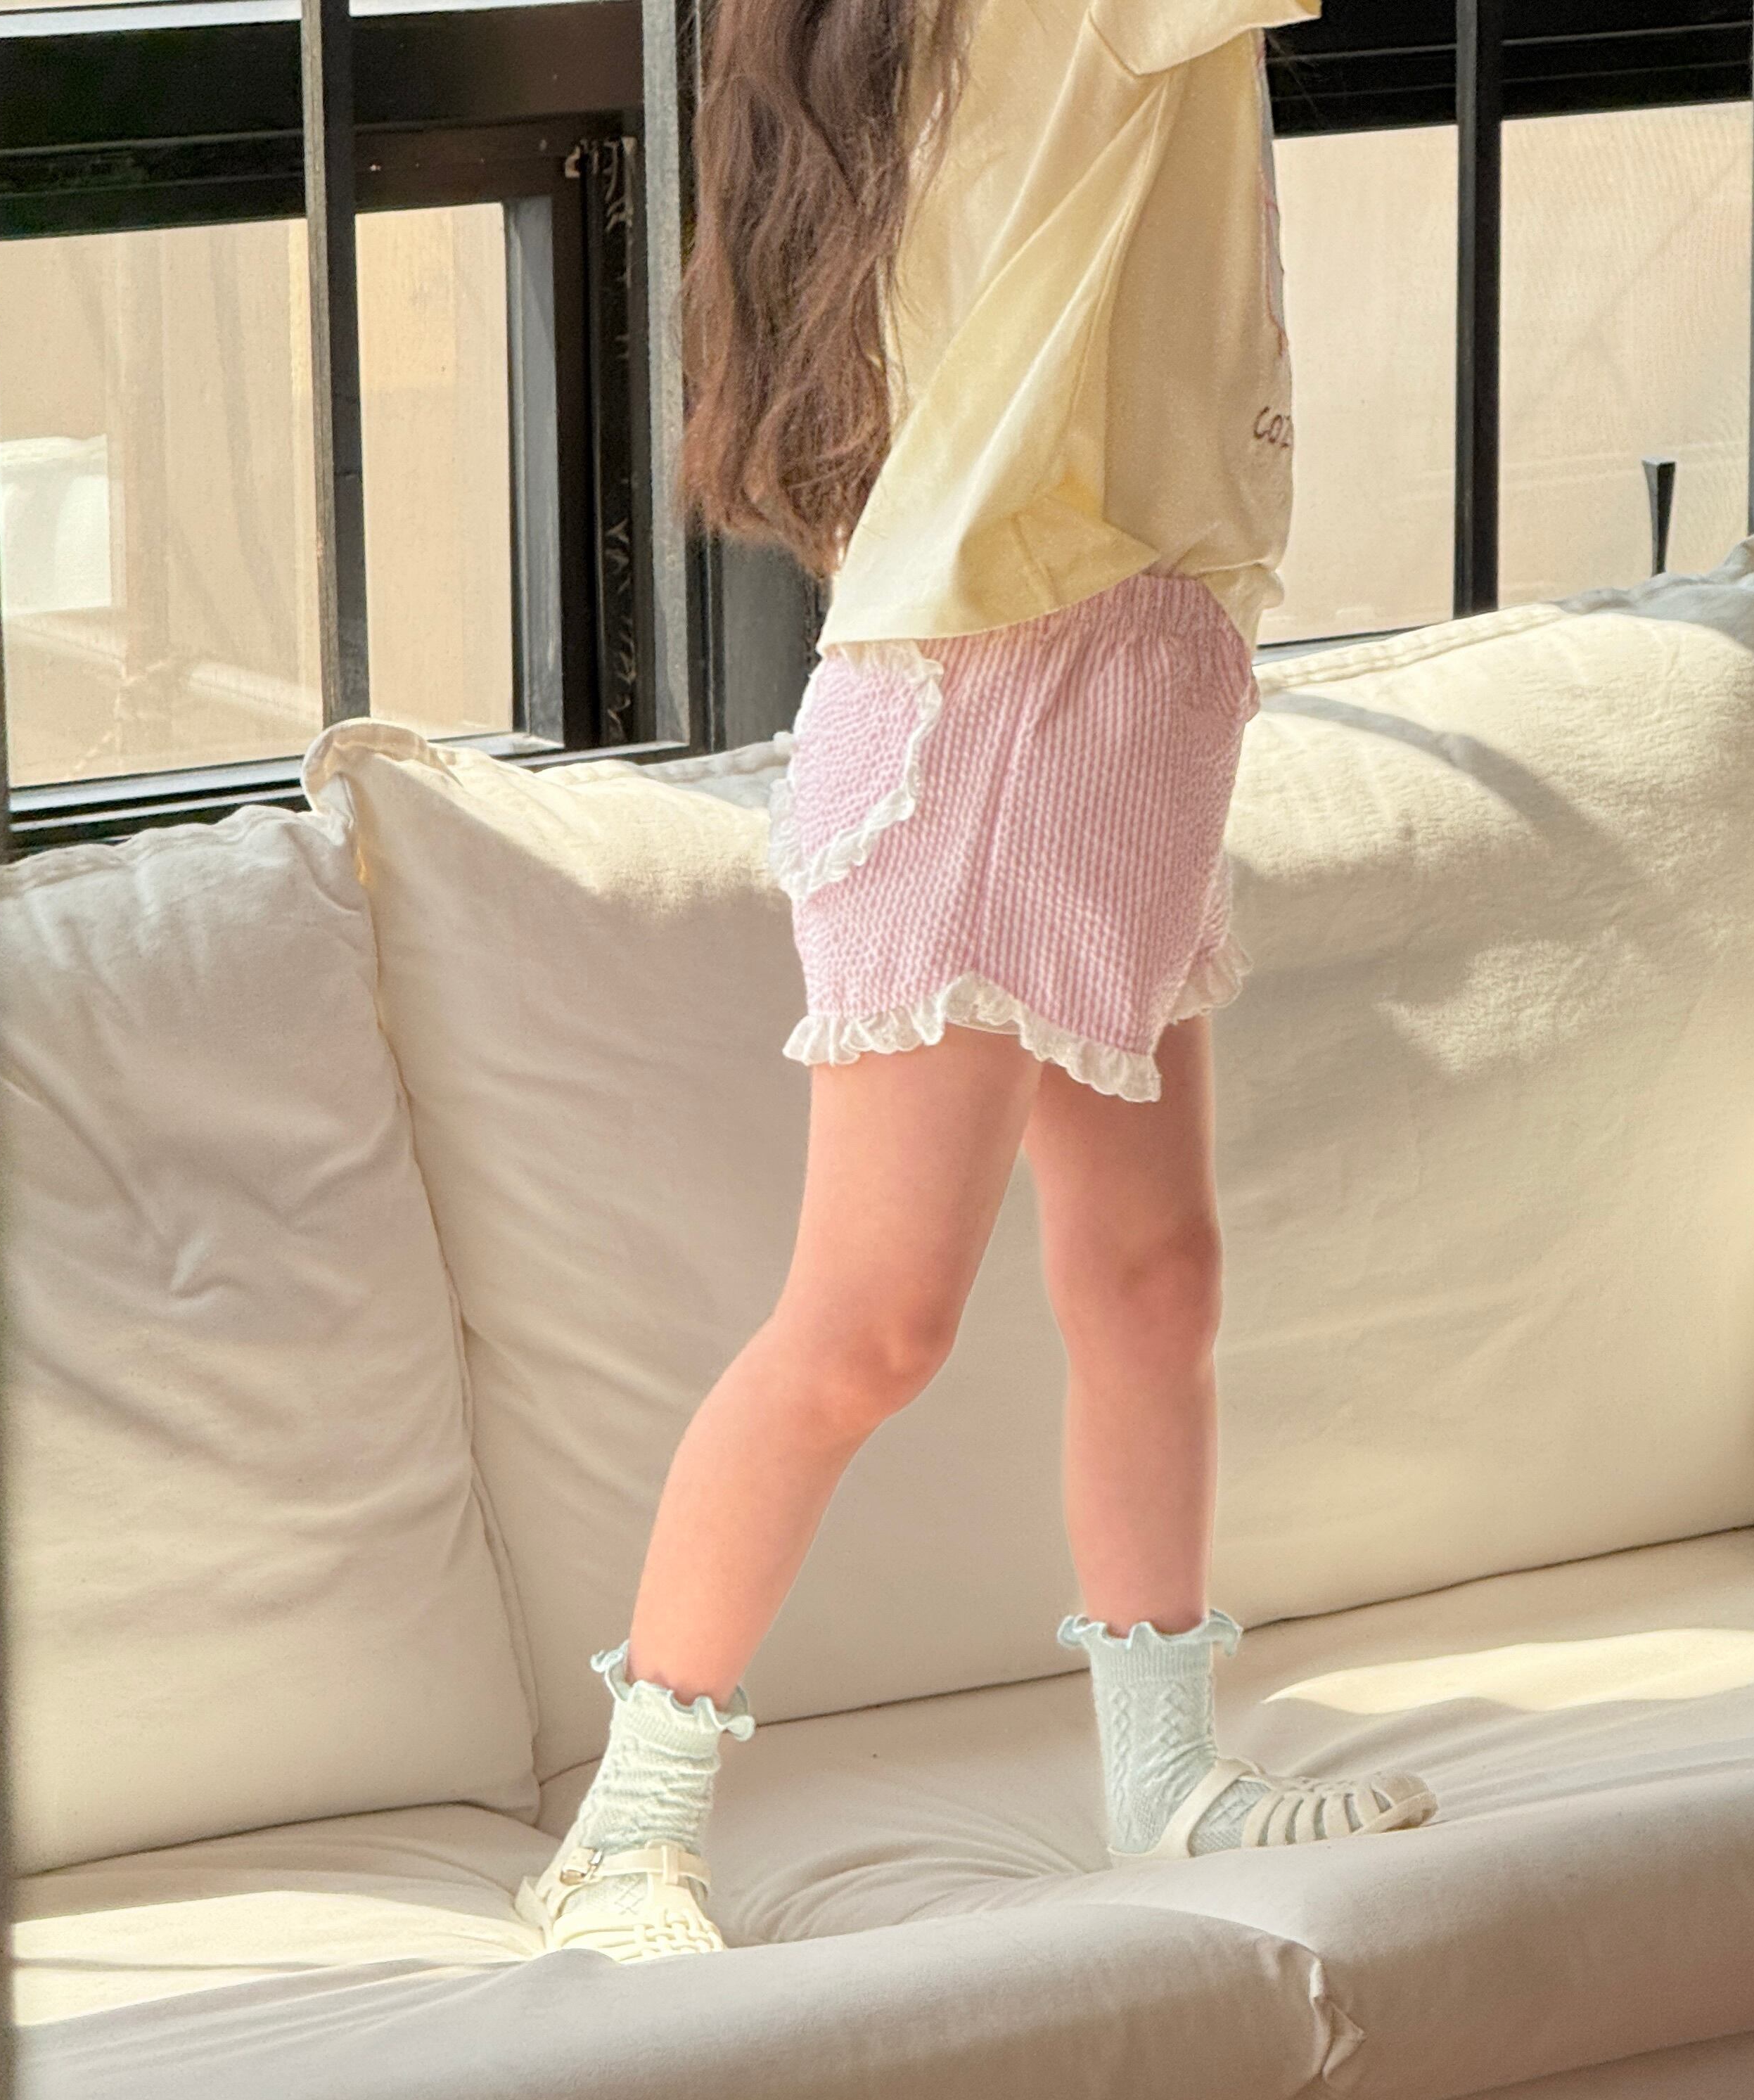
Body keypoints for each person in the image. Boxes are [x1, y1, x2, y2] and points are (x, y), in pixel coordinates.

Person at [516, 0, 1436, 1964]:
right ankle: (622, 1834)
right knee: (871, 1326)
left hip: (1135, 684)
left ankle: (1164, 1779)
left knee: (1154, 1275)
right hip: (993, 707)